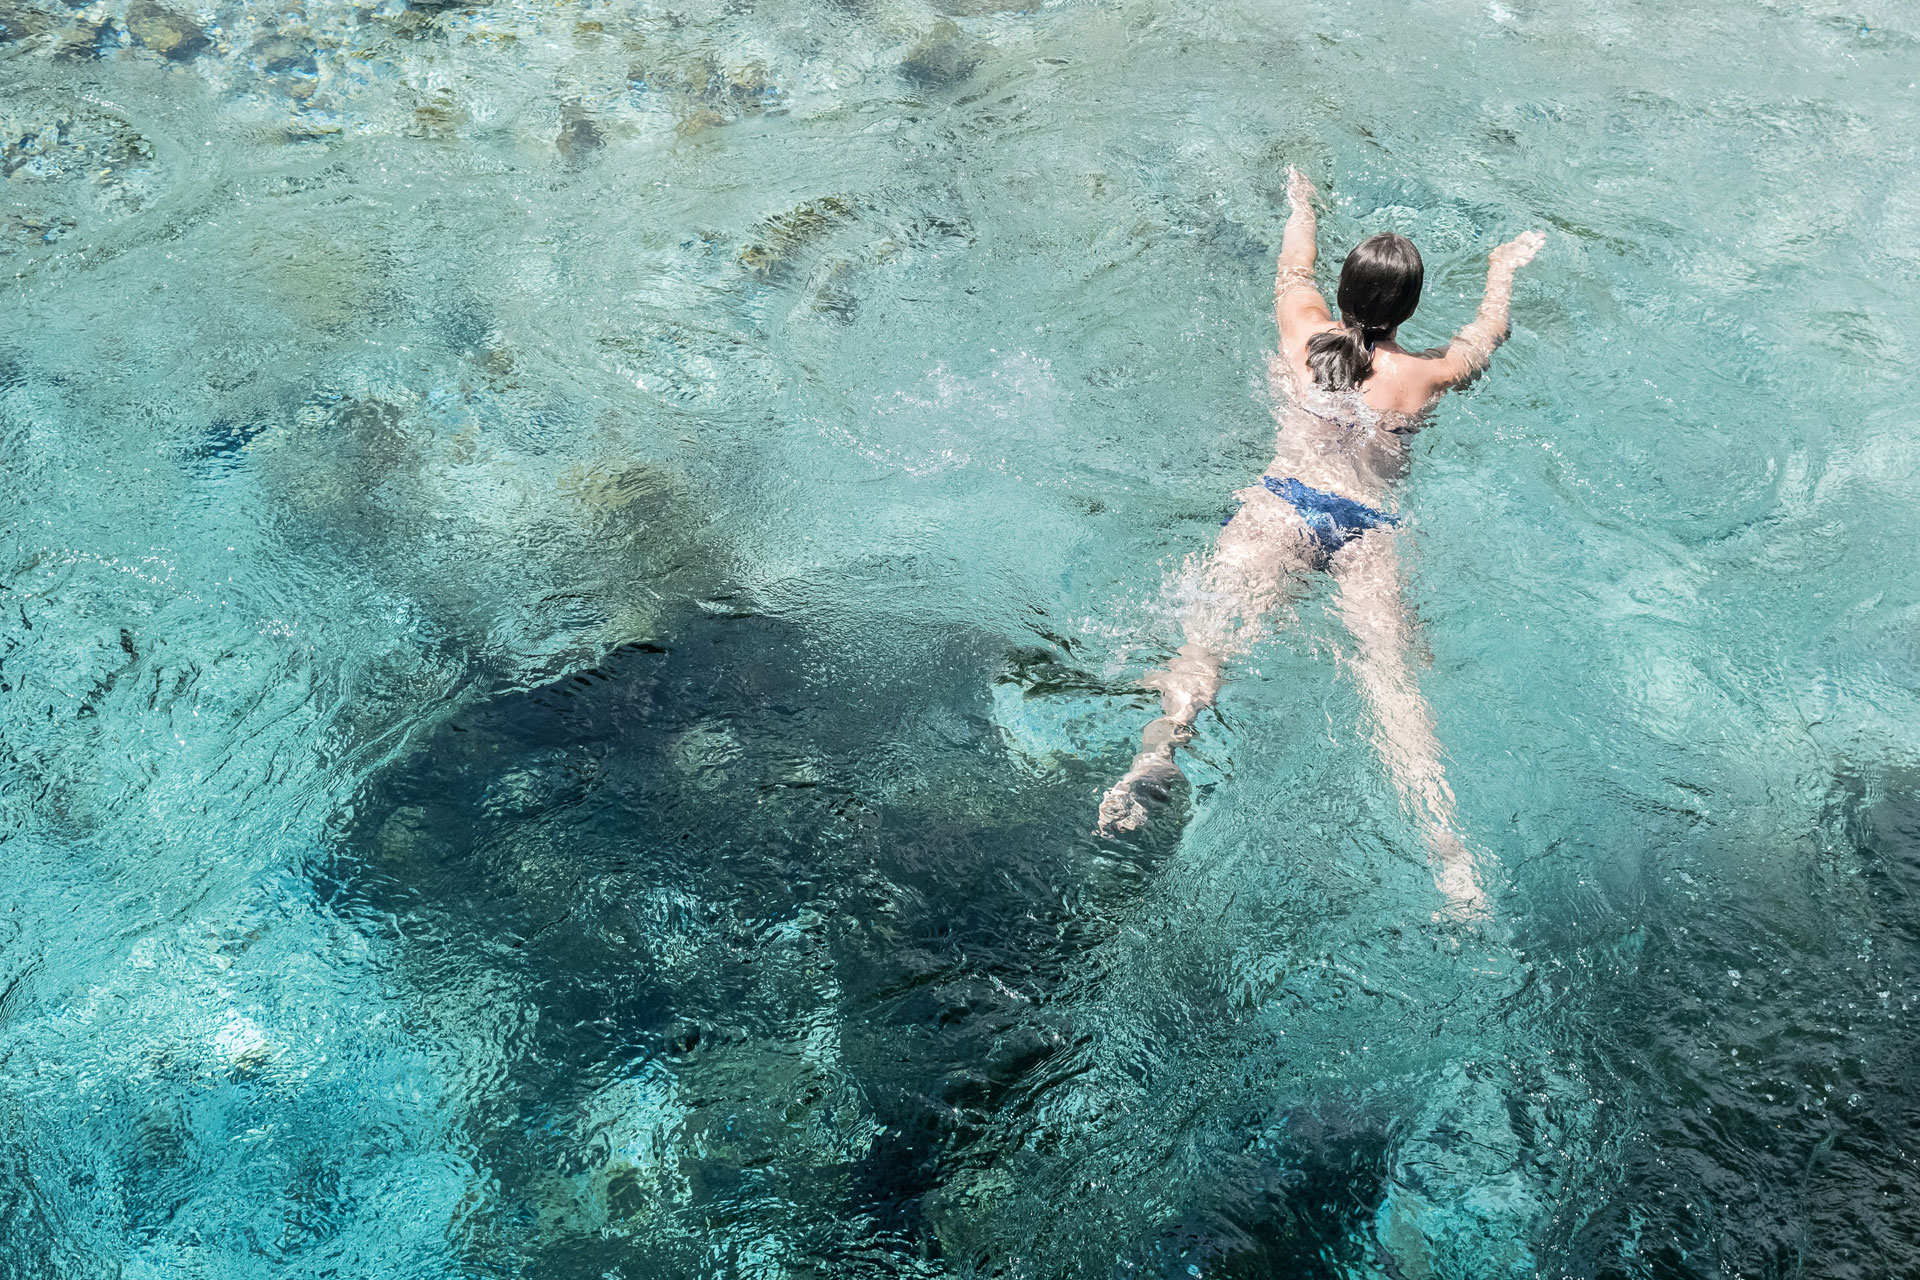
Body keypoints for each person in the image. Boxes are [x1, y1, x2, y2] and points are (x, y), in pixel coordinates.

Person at [1095, 167, 1545, 913]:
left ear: (1344, 294)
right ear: (1408, 310)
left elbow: (1291, 266)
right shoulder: (1426, 376)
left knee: (1207, 649)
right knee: (1391, 687)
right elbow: (1487, 334)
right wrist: (1501, 269)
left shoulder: (1304, 329)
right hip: (1369, 531)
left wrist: (1302, 201)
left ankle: (1155, 756)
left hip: (1283, 505)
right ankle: (1448, 852)